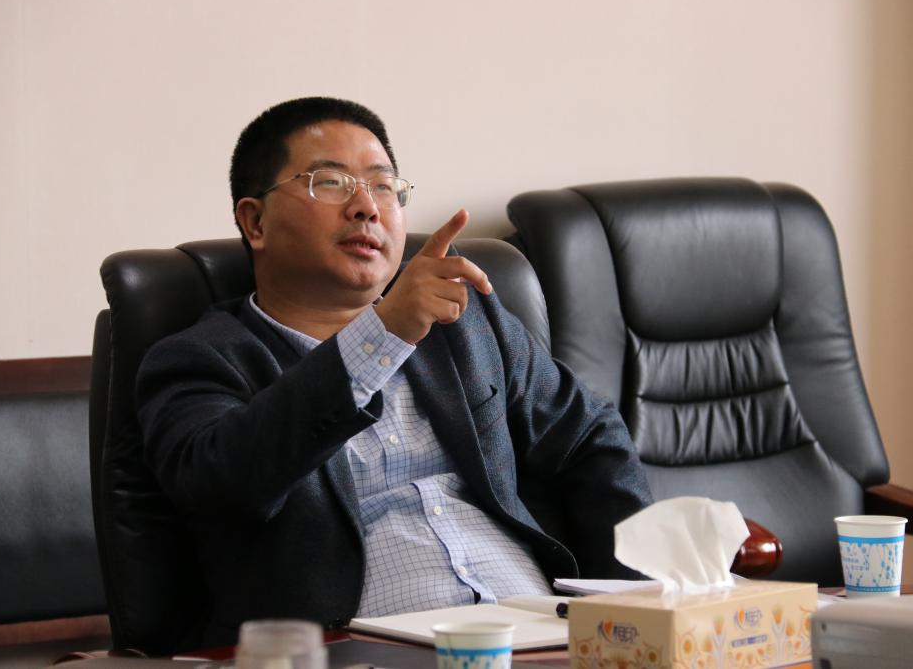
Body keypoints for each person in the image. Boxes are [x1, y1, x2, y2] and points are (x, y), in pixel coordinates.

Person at [136, 97, 653, 647]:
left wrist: (638, 604)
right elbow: (221, 486)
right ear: (255, 221)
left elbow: (590, 439)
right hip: (363, 652)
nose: (366, 207)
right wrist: (381, 336)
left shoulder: (465, 320)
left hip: (538, 636)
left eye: (383, 186)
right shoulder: (199, 359)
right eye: (330, 183)